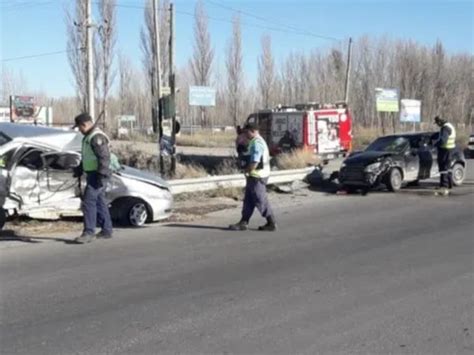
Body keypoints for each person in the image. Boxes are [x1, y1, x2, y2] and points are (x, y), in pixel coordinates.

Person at [73, 113, 113, 243]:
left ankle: (88, 232)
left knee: (88, 202)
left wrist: (101, 176)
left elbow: (104, 158)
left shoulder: (96, 137)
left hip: (98, 174)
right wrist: (80, 169)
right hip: (93, 174)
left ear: (84, 125)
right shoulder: (89, 137)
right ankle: (106, 230)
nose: (79, 130)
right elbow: (88, 156)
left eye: (79, 127)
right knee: (99, 201)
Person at [229, 123, 277, 231]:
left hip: (257, 176)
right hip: (254, 175)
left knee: (260, 199)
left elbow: (255, 162)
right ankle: (243, 222)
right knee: (249, 200)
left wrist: (247, 170)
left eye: (247, 132)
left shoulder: (257, 143)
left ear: (253, 131)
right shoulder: (254, 141)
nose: (245, 135)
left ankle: (271, 222)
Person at [434, 116, 456, 195]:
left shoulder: (445, 128)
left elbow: (443, 140)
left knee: (443, 168)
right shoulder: (450, 126)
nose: (437, 125)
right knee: (448, 168)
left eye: (437, 123)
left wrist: (435, 144)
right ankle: (450, 184)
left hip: (445, 150)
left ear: (440, 122)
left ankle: (444, 185)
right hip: (450, 149)